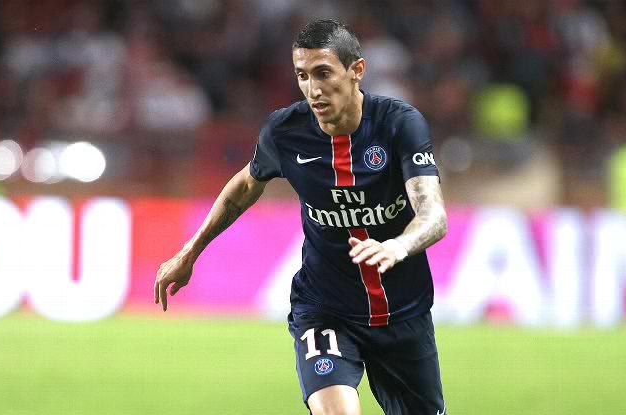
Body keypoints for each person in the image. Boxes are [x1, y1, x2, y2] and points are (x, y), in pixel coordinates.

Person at [155, 19, 448, 415]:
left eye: (323, 73)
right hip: (326, 310)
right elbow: (245, 186)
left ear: (356, 70)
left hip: (404, 314)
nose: (313, 89)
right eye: (302, 75)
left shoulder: (398, 124)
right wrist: (190, 251)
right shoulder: (285, 131)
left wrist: (397, 246)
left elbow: (433, 214)